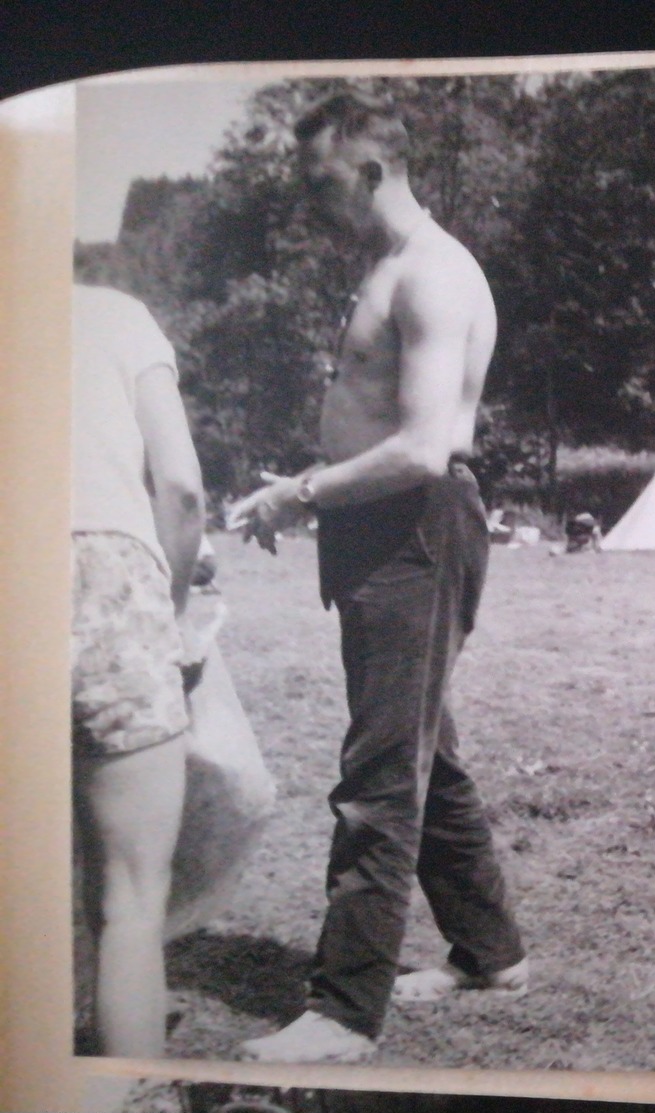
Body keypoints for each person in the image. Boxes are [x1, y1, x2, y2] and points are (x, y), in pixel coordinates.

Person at [229, 93, 526, 1063]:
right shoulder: (388, 267)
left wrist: (298, 492)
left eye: (318, 183)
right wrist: (315, 501)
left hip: (415, 529)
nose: (311, 204)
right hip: (376, 534)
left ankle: (343, 1010)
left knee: (378, 775)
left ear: (366, 171)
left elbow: (423, 450)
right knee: (420, 748)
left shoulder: (431, 275)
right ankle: (491, 954)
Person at [71, 283, 205, 1056]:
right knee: (130, 903)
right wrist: (171, 610)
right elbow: (181, 487)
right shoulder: (116, 314)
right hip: (110, 578)